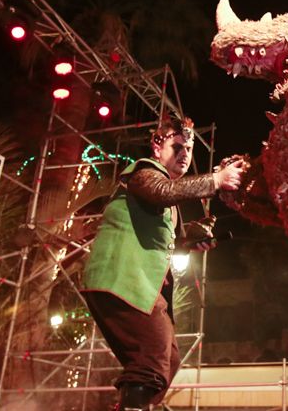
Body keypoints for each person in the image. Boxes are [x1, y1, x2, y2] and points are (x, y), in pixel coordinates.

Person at [81, 115, 243, 411]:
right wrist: (215, 180)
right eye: (177, 146)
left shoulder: (167, 199)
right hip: (121, 277)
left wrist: (190, 242)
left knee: (167, 360)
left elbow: (169, 232)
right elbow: (161, 192)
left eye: (189, 149)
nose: (184, 154)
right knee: (153, 358)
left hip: (138, 285)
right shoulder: (143, 171)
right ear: (157, 147)